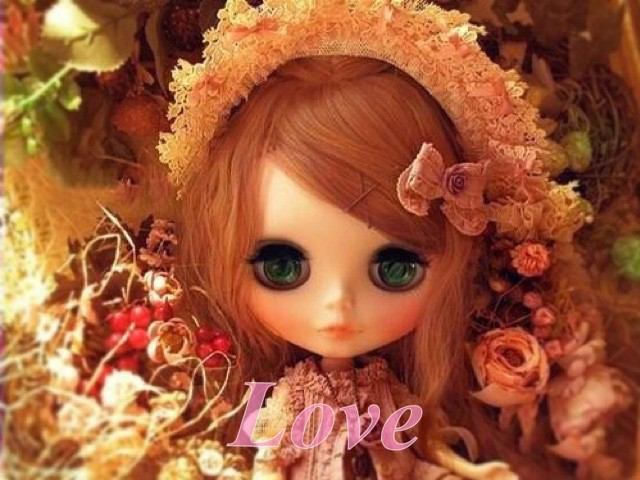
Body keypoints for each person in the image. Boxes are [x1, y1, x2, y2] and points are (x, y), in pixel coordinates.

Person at [160, 1, 631, 478]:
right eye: (282, 267)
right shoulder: (286, 402)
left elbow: (422, 453)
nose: (338, 306)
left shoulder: (394, 398)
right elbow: (267, 461)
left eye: (395, 269)